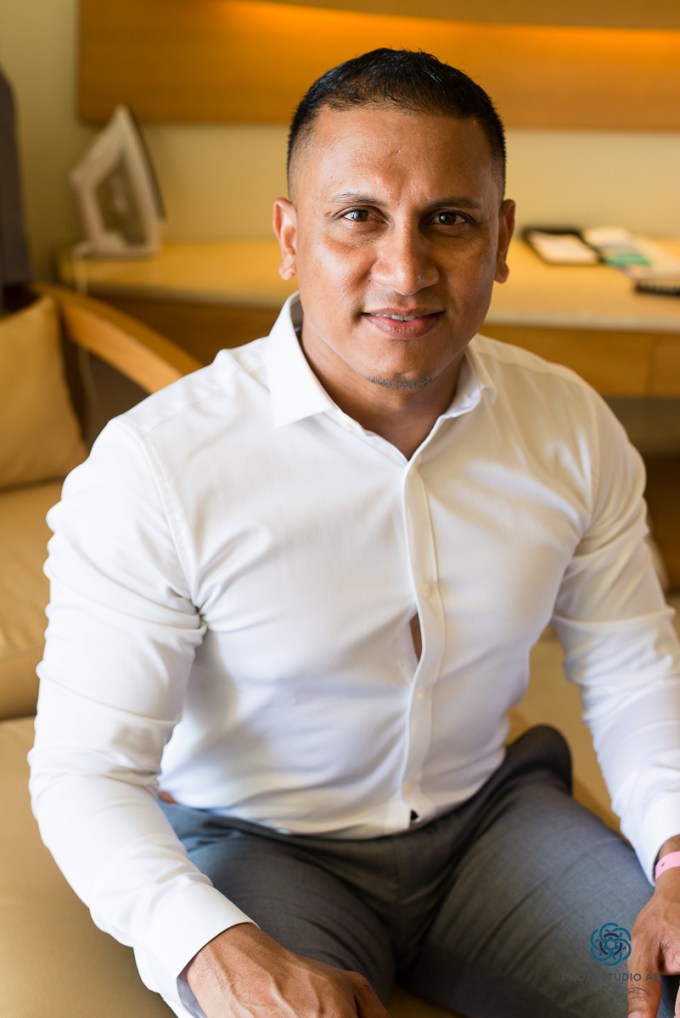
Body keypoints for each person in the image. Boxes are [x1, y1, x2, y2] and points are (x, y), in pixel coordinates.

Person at [30, 48, 680, 1018]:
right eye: (358, 216)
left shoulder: (569, 428)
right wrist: (210, 947)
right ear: (291, 238)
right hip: (259, 849)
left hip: (490, 832)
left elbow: (629, 667)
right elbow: (86, 770)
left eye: (448, 220)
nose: (405, 270)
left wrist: (674, 855)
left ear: (500, 238)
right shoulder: (157, 468)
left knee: (661, 985)